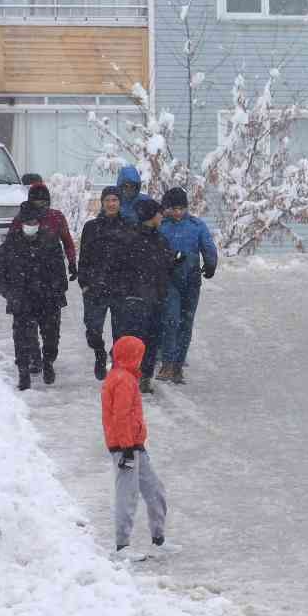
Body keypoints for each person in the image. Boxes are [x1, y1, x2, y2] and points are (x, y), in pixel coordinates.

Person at [0, 203, 70, 390]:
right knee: (22, 338)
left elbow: (60, 271)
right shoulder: (9, 245)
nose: (31, 224)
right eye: (27, 221)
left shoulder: (51, 242)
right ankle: (23, 372)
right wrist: (9, 293)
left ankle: (48, 361)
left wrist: (58, 291)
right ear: (20, 223)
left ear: (39, 223)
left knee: (51, 337)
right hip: (21, 299)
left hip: (48, 298)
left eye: (34, 221)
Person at [101, 334, 167, 554]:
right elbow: (120, 417)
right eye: (139, 355)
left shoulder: (125, 378)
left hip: (134, 446)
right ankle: (122, 545)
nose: (141, 360)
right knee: (128, 494)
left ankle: (159, 539)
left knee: (154, 490)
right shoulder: (123, 380)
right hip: (126, 448)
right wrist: (127, 447)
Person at [112, 197, 176, 395]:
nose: (162, 216)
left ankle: (145, 377)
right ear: (150, 216)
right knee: (135, 340)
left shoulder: (160, 238)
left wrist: (176, 260)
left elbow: (166, 264)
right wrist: (128, 291)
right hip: (136, 298)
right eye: (158, 213)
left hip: (155, 297)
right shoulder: (131, 239)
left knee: (152, 339)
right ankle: (129, 376)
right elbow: (121, 268)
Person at [156, 187, 218, 384]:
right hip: (169, 280)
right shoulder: (161, 226)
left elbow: (208, 246)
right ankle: (167, 362)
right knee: (171, 320)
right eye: (174, 208)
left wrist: (210, 264)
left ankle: (178, 365)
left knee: (186, 323)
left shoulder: (196, 225)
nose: (177, 212)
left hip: (191, 281)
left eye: (181, 208)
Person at [78, 186, 133, 381]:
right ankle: (99, 353)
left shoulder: (128, 226)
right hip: (95, 287)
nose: (111, 204)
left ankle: (116, 362)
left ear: (120, 203)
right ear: (102, 203)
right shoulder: (91, 227)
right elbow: (83, 258)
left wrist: (131, 285)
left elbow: (134, 258)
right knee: (93, 329)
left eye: (115, 200)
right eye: (108, 200)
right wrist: (84, 283)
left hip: (120, 288)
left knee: (121, 332)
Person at [6, 181, 78, 279]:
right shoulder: (21, 218)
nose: (42, 203)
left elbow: (67, 241)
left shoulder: (56, 217)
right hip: (28, 270)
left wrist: (72, 262)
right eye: (38, 200)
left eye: (44, 200)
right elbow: (9, 245)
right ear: (30, 200)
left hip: (53, 269)